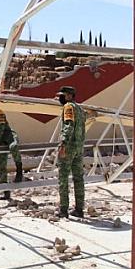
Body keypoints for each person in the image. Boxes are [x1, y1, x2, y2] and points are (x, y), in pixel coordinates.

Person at [57, 86, 87, 217]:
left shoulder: (69, 107)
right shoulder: (80, 109)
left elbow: (69, 125)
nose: (60, 97)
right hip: (79, 147)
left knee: (63, 177)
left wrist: (63, 142)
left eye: (62, 95)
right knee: (78, 178)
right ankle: (79, 209)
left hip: (69, 147)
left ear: (69, 95)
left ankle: (64, 209)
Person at [0, 105, 23, 200]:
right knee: (1, 166)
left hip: (9, 136)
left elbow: (1, 128)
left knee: (13, 147)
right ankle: (6, 192)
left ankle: (19, 170)